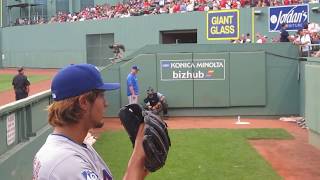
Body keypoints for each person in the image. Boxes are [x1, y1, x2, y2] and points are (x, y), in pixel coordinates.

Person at [32, 64, 148, 180]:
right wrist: (137, 159)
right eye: (101, 96)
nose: (106, 103)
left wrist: (142, 165)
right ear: (83, 102)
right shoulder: (65, 162)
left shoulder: (74, 147)